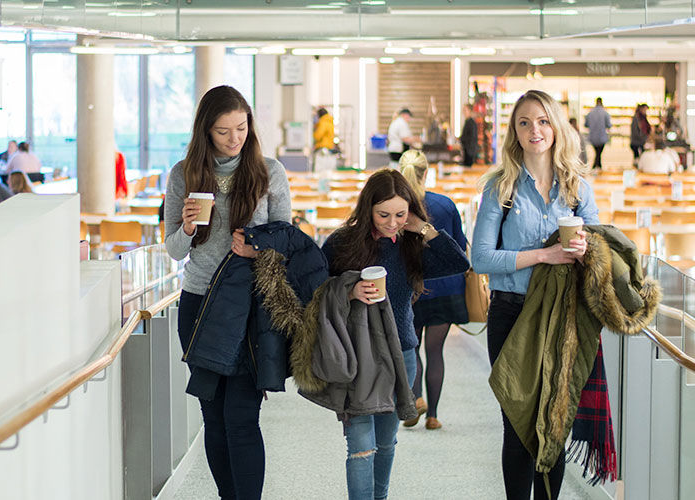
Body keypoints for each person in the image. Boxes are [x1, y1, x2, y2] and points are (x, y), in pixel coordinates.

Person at [163, 85, 292, 500]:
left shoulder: (268, 171)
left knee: (242, 417)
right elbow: (173, 250)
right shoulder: (183, 175)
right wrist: (185, 228)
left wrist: (257, 246)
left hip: (249, 306)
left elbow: (286, 241)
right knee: (214, 417)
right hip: (199, 303)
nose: (234, 138)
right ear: (206, 131)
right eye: (223, 131)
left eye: (241, 127)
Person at [471, 90, 600, 500]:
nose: (535, 130)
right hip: (511, 313)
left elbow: (599, 247)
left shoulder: (578, 188)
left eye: (543, 121)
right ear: (514, 131)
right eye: (524, 122)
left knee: (553, 420)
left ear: (557, 127)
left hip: (560, 315)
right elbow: (481, 258)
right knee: (517, 422)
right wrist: (543, 254)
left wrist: (584, 251)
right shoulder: (500, 187)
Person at [320, 168, 469, 500]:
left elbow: (458, 262)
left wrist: (423, 228)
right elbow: (312, 287)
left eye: (400, 214)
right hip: (356, 357)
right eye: (383, 214)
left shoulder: (410, 245)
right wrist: (349, 290)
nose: (391, 222)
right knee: (360, 446)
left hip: (401, 355)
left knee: (386, 442)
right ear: (368, 208)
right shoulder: (343, 242)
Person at [394, 150, 470, 431]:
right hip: (446, 288)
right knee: (435, 351)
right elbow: (459, 247)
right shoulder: (445, 205)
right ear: (426, 173)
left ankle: (416, 398)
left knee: (411, 348)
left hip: (411, 290)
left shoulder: (397, 208)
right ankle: (433, 416)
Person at [584, 97, 611, 170]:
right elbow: (609, 125)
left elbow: (586, 125)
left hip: (592, 137)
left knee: (597, 153)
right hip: (602, 137)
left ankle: (597, 166)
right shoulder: (605, 113)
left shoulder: (590, 113)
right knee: (599, 153)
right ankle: (597, 166)